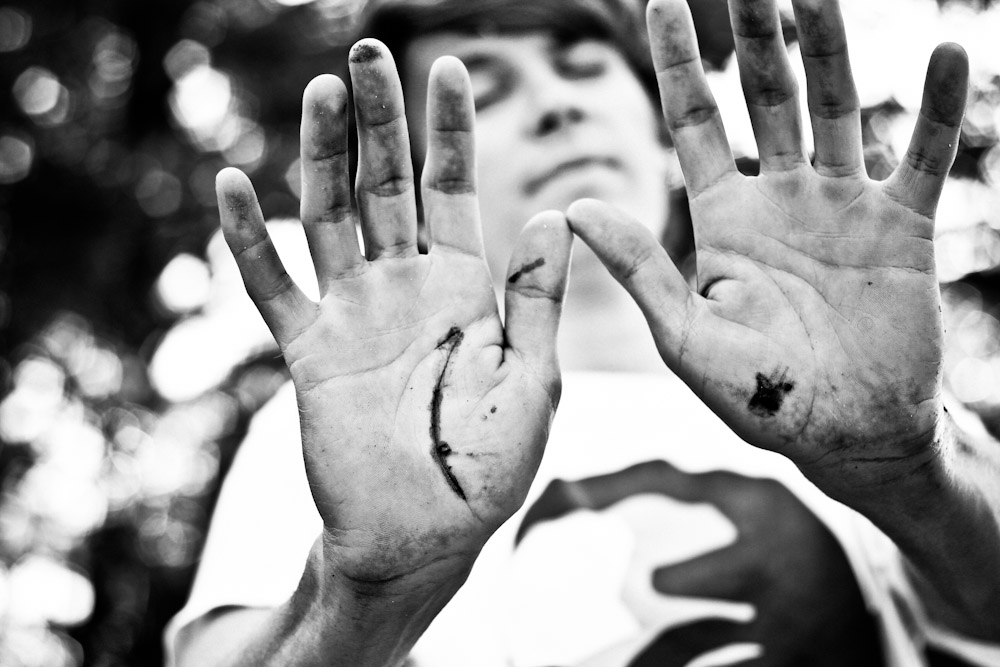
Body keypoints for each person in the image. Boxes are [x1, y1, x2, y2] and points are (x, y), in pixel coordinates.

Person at [165, 0, 1000, 665]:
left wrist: (909, 474)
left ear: (663, 133)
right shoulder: (345, 435)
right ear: (413, 198)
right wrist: (362, 596)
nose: (555, 106)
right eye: (484, 94)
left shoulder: (877, 408)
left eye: (583, 67)